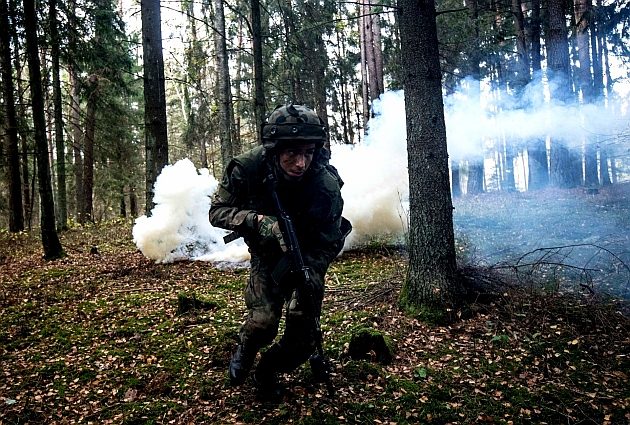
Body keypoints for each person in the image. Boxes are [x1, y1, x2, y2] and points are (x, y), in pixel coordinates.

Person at [209, 104, 351, 396]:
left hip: (307, 255)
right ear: (274, 150)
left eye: (308, 153)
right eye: (292, 153)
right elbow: (217, 212)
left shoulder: (325, 186)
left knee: (303, 329)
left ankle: (268, 370)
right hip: (266, 253)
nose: (301, 163)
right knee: (263, 323)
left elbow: (331, 238)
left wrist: (311, 270)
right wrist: (256, 221)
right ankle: (246, 347)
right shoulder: (247, 169)